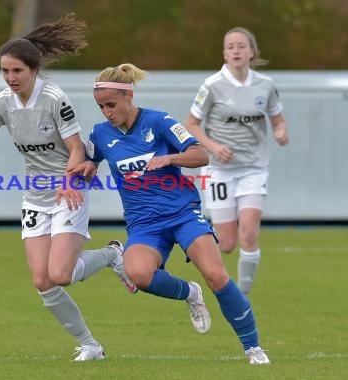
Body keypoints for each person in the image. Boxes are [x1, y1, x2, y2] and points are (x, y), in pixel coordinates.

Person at [0, 14, 136, 362]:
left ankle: (113, 255)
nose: (10, 78)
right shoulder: (2, 102)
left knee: (60, 275)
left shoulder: (53, 98)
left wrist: (68, 181)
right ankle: (90, 345)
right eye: (5, 71)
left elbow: (77, 149)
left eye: (16, 71)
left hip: (70, 188)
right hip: (35, 197)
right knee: (42, 281)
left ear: (33, 70)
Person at [71, 63, 270, 364]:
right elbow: (89, 165)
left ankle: (253, 348)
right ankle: (190, 293)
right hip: (144, 224)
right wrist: (81, 173)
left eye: (111, 104)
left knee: (216, 275)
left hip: (182, 213)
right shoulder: (100, 135)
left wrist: (169, 159)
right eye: (101, 106)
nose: (106, 112)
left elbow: (201, 154)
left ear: (129, 96)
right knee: (138, 274)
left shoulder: (159, 121)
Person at [184, 27, 289, 295]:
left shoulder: (265, 85)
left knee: (250, 233)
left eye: (241, 46)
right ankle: (194, 246)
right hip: (220, 171)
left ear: (251, 52)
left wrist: (280, 131)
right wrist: (214, 147)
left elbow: (277, 118)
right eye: (230, 47)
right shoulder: (212, 85)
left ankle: (243, 294)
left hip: (254, 168)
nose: (236, 51)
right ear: (224, 54)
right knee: (227, 243)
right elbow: (192, 124)